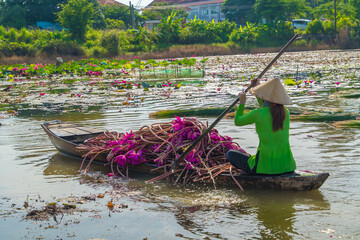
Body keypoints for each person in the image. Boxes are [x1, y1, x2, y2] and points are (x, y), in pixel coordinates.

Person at [226, 78, 296, 175]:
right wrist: (257, 89)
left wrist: (242, 103)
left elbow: (238, 121)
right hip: (287, 166)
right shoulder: (285, 113)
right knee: (248, 155)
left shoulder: (258, 114)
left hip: (264, 168)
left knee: (230, 154)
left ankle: (251, 173)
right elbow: (266, 108)